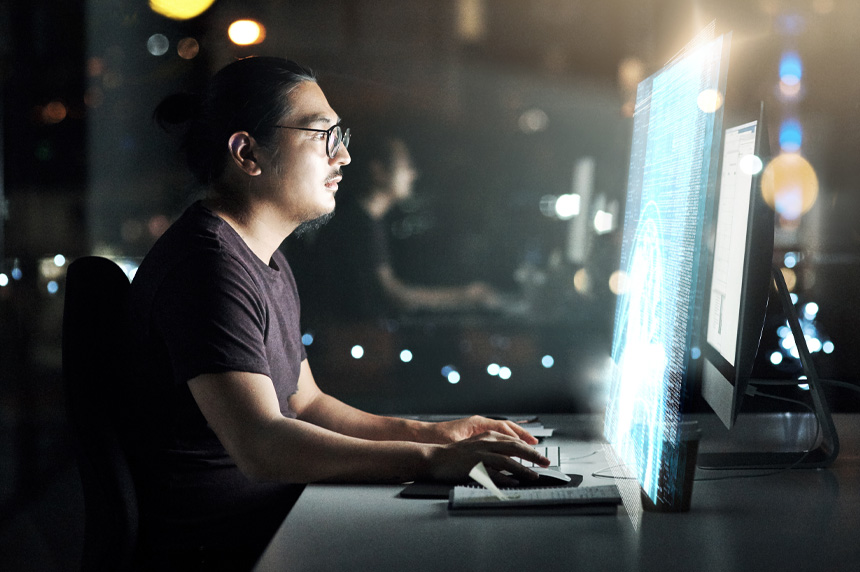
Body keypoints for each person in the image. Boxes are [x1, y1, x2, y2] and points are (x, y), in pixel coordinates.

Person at [126, 56, 548, 570]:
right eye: (322, 134)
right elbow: (262, 443)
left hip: (276, 519)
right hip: (227, 547)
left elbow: (307, 406)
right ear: (247, 152)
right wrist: (433, 462)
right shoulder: (207, 267)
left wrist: (435, 434)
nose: (344, 155)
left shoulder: (266, 258)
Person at [302, 132, 501, 323]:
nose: (413, 174)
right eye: (405, 165)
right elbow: (394, 295)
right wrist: (465, 296)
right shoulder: (359, 224)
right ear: (378, 171)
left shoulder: (367, 219)